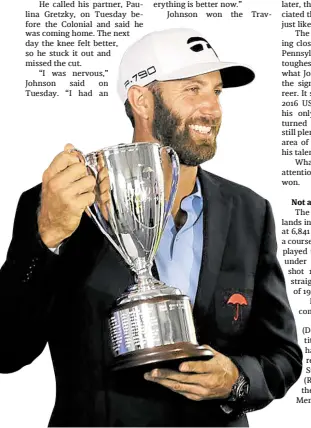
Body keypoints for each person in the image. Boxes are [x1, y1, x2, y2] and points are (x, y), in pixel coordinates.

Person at [0, 28, 302, 427]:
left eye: (217, 91)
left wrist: (237, 380)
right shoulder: (62, 201)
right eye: (192, 89)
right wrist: (48, 237)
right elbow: (7, 350)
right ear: (141, 100)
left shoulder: (250, 211)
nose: (211, 108)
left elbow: (283, 353)